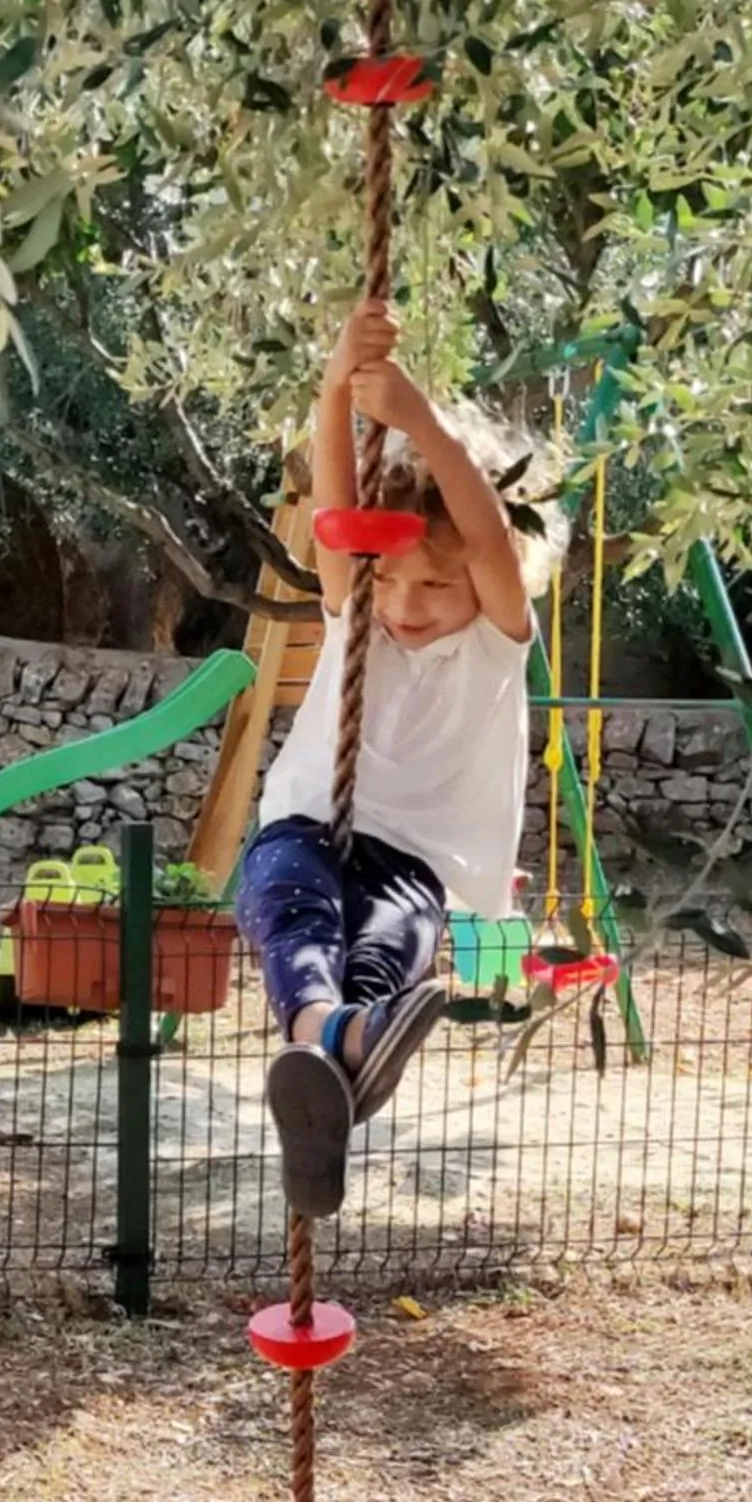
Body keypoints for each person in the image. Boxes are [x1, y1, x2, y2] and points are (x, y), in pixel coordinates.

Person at [237, 299, 563, 1217]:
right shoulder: (358, 621)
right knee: (296, 919)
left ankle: (344, 1061)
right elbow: (334, 510)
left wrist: (420, 422)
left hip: (410, 862)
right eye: (393, 578)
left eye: (437, 582)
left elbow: (488, 535)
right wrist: (336, 382)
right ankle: (326, 1034)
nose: (408, 604)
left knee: (392, 949)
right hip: (308, 825)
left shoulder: (496, 639)